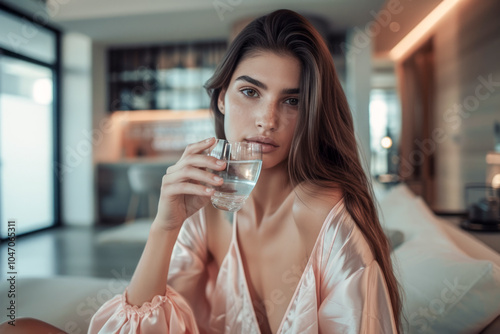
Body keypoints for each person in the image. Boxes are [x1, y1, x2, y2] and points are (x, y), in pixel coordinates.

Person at [2, 9, 402, 334]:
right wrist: (164, 226)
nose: (267, 119)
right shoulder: (208, 208)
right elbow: (144, 327)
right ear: (222, 98)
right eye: (251, 91)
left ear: (312, 112)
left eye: (292, 101)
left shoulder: (331, 219)